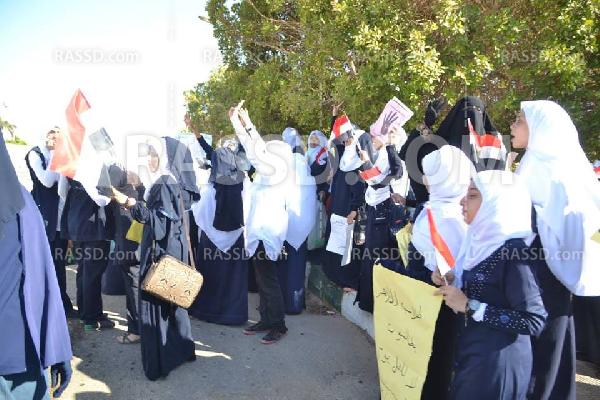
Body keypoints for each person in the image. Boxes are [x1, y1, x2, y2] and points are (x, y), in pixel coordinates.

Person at [511, 100, 600, 399]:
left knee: (547, 340)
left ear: (539, 128)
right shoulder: (533, 163)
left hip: (547, 271)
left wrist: (532, 219)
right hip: (530, 266)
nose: (512, 126)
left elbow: (574, 224)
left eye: (519, 120)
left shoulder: (557, 170)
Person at [437, 170, 547, 399]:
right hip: (473, 356)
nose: (462, 201)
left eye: (472, 195)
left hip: (497, 367)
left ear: (497, 202)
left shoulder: (514, 252)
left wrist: (470, 306)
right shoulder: (479, 242)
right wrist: (450, 279)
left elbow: (534, 320)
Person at [111, 137, 200, 380]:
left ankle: (161, 361)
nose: (149, 159)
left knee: (157, 306)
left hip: (161, 253)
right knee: (174, 303)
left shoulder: (163, 183)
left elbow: (158, 223)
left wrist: (129, 203)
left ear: (166, 158)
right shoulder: (169, 181)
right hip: (173, 249)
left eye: (154, 154)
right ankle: (183, 350)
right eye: (148, 154)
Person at [0, 132, 73, 399]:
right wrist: (56, 346)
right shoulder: (20, 201)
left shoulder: (19, 200)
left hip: (20, 354)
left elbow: (41, 274)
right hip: (19, 353)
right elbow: (43, 277)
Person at [403, 145, 472, 400]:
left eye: (431, 174)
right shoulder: (436, 207)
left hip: (438, 300)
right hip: (424, 293)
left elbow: (451, 270)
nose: (424, 179)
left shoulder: (451, 216)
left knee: (435, 356)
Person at [228, 102, 293, 344]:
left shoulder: (276, 171)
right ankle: (266, 319)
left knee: (269, 281)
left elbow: (255, 151)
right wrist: (240, 124)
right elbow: (255, 150)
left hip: (267, 233)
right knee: (262, 280)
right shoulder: (268, 172)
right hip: (259, 233)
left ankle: (278, 325)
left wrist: (245, 123)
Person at [190, 132, 251, 325]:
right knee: (233, 280)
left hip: (210, 242)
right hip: (236, 241)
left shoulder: (209, 190)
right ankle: (234, 315)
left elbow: (199, 215)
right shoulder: (244, 187)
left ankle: (207, 311)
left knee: (211, 277)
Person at [24, 127, 75, 318]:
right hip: (43, 218)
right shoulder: (35, 154)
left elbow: (62, 188)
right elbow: (46, 181)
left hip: (59, 219)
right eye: (52, 135)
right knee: (44, 264)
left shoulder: (58, 156)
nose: (54, 140)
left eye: (58, 137)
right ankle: (46, 305)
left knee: (59, 264)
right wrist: (56, 157)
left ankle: (62, 305)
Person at [356, 112, 403, 313]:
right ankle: (367, 301)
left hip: (385, 213)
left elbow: (387, 178)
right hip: (376, 211)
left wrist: (368, 164)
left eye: (377, 135)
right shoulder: (384, 154)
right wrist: (367, 164)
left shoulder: (395, 155)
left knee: (378, 257)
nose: (373, 138)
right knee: (370, 256)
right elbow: (375, 180)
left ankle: (376, 304)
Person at [323, 107, 369, 291]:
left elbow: (360, 189)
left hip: (349, 211)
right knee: (335, 245)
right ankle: (335, 277)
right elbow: (335, 137)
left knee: (348, 248)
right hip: (338, 207)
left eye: (350, 138)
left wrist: (354, 209)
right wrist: (334, 117)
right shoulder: (344, 155)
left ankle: (349, 281)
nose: (346, 140)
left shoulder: (359, 161)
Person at [61, 173, 115, 331]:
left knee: (84, 270)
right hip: (93, 224)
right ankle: (91, 319)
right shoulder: (93, 166)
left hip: (76, 220)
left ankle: (86, 312)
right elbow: (102, 199)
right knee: (92, 273)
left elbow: (62, 191)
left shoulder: (69, 165)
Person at [279, 127, 318, 314]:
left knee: (282, 264)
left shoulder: (285, 166)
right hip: (302, 228)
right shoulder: (305, 169)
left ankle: (281, 302)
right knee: (297, 265)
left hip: (285, 225)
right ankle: (295, 303)